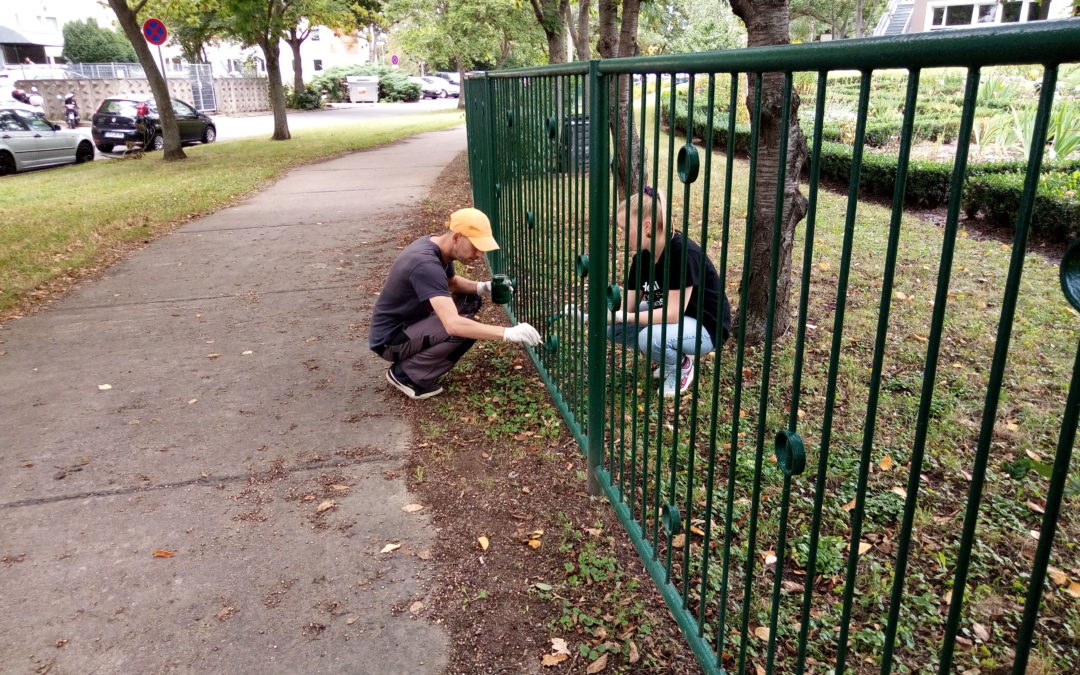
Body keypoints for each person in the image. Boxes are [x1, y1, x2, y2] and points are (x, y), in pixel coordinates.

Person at [369, 207, 541, 400]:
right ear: (457, 237)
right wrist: (508, 333)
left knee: (470, 299)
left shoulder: (436, 246)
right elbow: (454, 325)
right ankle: (407, 375)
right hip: (390, 340)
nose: (479, 254)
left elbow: (450, 282)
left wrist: (483, 287)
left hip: (408, 324)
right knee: (463, 332)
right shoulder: (425, 264)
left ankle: (415, 362)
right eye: (476, 246)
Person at [607, 186, 731, 398]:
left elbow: (673, 313)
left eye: (624, 229)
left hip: (705, 326)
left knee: (649, 338)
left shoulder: (682, 254)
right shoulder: (642, 258)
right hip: (677, 319)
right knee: (613, 330)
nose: (622, 236)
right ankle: (670, 355)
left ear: (647, 226)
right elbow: (627, 308)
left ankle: (682, 366)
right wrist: (610, 314)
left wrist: (625, 316)